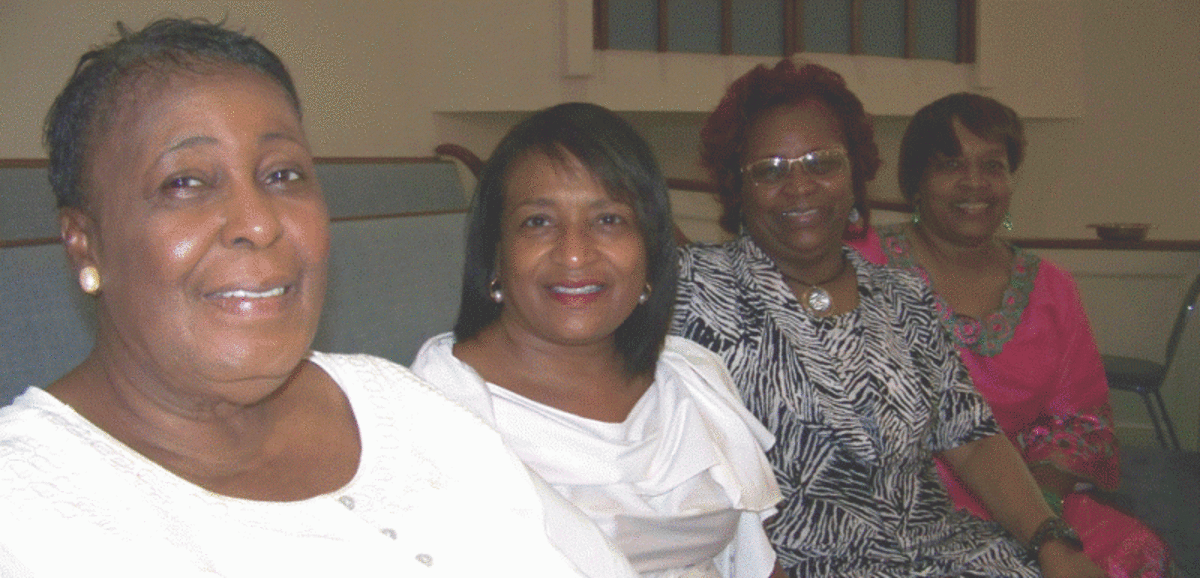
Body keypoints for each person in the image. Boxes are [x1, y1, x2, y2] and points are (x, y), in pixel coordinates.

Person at [0, 18, 634, 577]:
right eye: (185, 183)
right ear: (85, 245)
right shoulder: (26, 508)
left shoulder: (397, 405)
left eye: (282, 175)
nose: (259, 222)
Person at [671, 59, 1107, 578]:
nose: (800, 186)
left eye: (822, 162)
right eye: (770, 170)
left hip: (946, 556)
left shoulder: (903, 296)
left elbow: (971, 440)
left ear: (855, 174)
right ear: (737, 189)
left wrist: (1052, 541)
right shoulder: (694, 289)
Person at [410, 102, 784, 578]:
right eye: (538, 221)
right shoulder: (438, 408)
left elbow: (754, 562)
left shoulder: (692, 380)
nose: (574, 254)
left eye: (608, 219)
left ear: (650, 250)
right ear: (495, 253)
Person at [850, 92, 1176, 577]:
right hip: (888, 504)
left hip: (1025, 497)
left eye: (993, 166)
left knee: (1133, 553)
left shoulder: (1051, 287)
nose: (975, 183)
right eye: (950, 164)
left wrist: (1034, 517)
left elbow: (1079, 424)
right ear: (916, 180)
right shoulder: (860, 262)